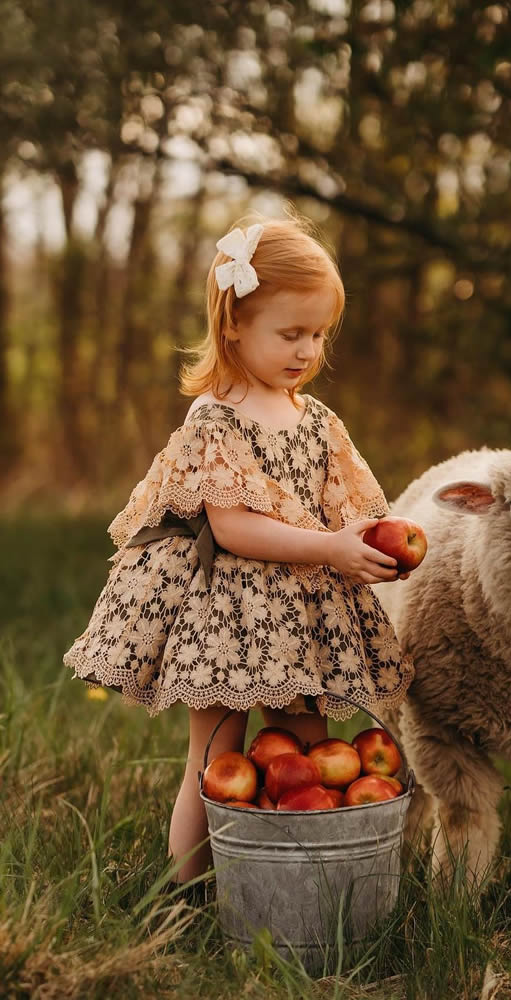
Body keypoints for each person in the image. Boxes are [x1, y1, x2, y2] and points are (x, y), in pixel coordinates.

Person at [64, 212, 415, 884]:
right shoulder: (217, 415)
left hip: (304, 617)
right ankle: (186, 887)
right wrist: (328, 548)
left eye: (318, 335)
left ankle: (301, 884)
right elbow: (233, 528)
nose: (307, 351)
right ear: (233, 323)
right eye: (290, 333)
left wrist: (366, 546)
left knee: (310, 751)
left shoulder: (315, 420)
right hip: (228, 613)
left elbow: (349, 507)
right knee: (217, 752)